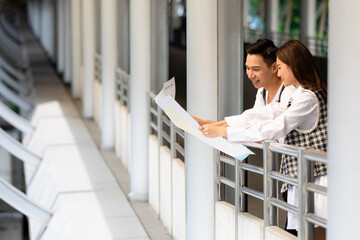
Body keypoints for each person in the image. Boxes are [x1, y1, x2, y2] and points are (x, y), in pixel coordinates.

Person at [200, 40, 327, 239]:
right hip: (303, 176)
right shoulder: (299, 96)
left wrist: (225, 132)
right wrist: (220, 125)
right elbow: (263, 115)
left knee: (316, 232)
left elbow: (275, 127)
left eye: (281, 67)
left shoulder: (307, 98)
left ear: (294, 66)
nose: (279, 73)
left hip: (315, 176)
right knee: (307, 231)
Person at [193, 38, 296, 128]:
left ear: (274, 67)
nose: (250, 75)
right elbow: (252, 123)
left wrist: (210, 125)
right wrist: (208, 125)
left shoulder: (289, 91)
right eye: (247, 68)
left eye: (256, 69)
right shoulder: (262, 91)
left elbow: (255, 121)